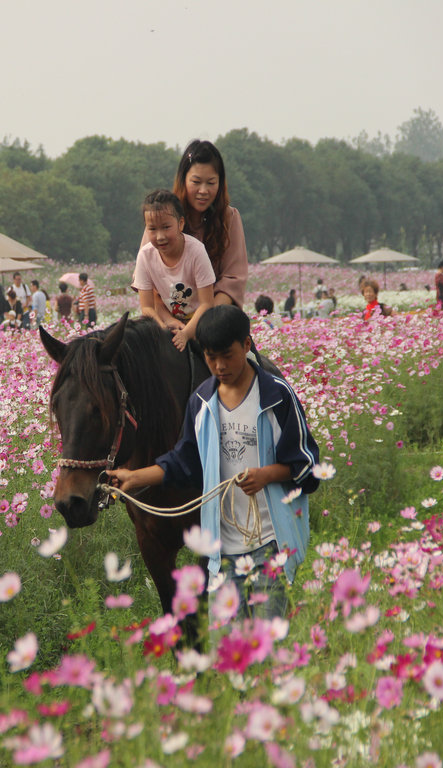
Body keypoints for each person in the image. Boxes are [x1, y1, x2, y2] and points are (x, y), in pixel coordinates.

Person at [106, 305, 320, 620]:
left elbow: (308, 468)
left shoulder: (277, 397)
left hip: (271, 541)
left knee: (265, 648)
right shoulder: (202, 402)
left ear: (247, 345)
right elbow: (183, 462)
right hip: (222, 549)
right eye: (210, 357)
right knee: (231, 649)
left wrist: (266, 475)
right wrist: (134, 478)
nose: (219, 366)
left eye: (227, 355)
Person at [141, 139, 248, 308]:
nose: (203, 191)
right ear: (183, 180)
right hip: (168, 314)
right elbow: (147, 277)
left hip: (214, 314)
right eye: (196, 182)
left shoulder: (229, 218)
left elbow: (232, 279)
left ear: (220, 184)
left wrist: (206, 320)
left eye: (211, 183)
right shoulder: (163, 216)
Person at [133, 189, 215, 352]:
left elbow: (207, 304)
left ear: (181, 224)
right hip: (167, 321)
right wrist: (164, 328)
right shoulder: (145, 255)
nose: (160, 236)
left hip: (200, 322)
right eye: (152, 229)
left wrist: (185, 334)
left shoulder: (196, 251)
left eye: (166, 227)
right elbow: (147, 307)